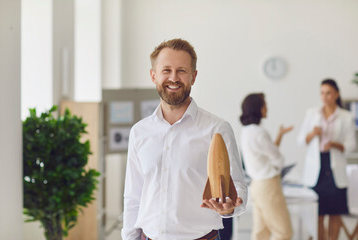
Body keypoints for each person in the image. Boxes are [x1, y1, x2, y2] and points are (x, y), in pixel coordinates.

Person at [121, 38, 247, 240]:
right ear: (153, 76)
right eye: (166, 70)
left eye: (181, 70)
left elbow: (238, 186)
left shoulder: (216, 129)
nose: (173, 77)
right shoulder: (140, 132)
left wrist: (229, 208)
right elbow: (133, 196)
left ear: (193, 76)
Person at [297, 79, 356, 240]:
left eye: (328, 93)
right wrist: (312, 134)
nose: (324, 96)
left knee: (335, 213)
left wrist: (335, 144)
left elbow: (351, 146)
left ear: (336, 94)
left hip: (335, 168)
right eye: (322, 92)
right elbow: (301, 140)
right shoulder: (312, 113)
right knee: (319, 213)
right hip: (317, 170)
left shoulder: (346, 116)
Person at [239, 93, 293, 240]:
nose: (266, 108)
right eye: (264, 105)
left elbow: (265, 153)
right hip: (268, 185)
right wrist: (276, 166)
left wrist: (280, 135)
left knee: (261, 233)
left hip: (257, 185)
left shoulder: (246, 132)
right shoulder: (259, 132)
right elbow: (278, 159)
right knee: (283, 232)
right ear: (258, 108)